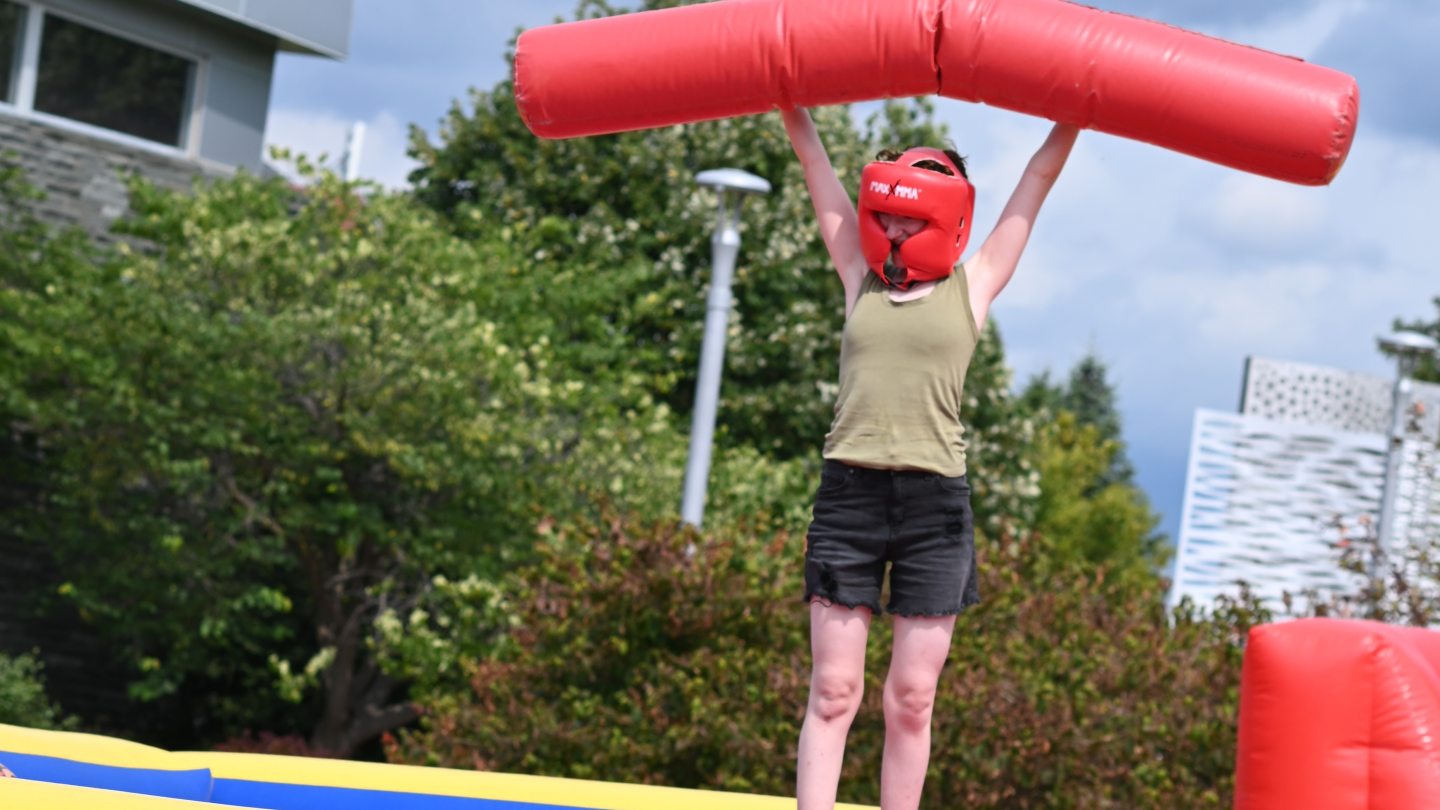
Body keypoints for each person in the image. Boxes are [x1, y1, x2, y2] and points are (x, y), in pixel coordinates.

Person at [780, 106, 1079, 810]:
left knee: (912, 698)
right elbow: (817, 173)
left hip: (934, 506)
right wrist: (792, 106)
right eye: (895, 210)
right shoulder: (859, 274)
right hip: (848, 496)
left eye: (919, 212)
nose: (903, 226)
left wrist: (1075, 117)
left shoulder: (971, 287)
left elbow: (1036, 179)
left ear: (950, 218)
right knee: (834, 690)